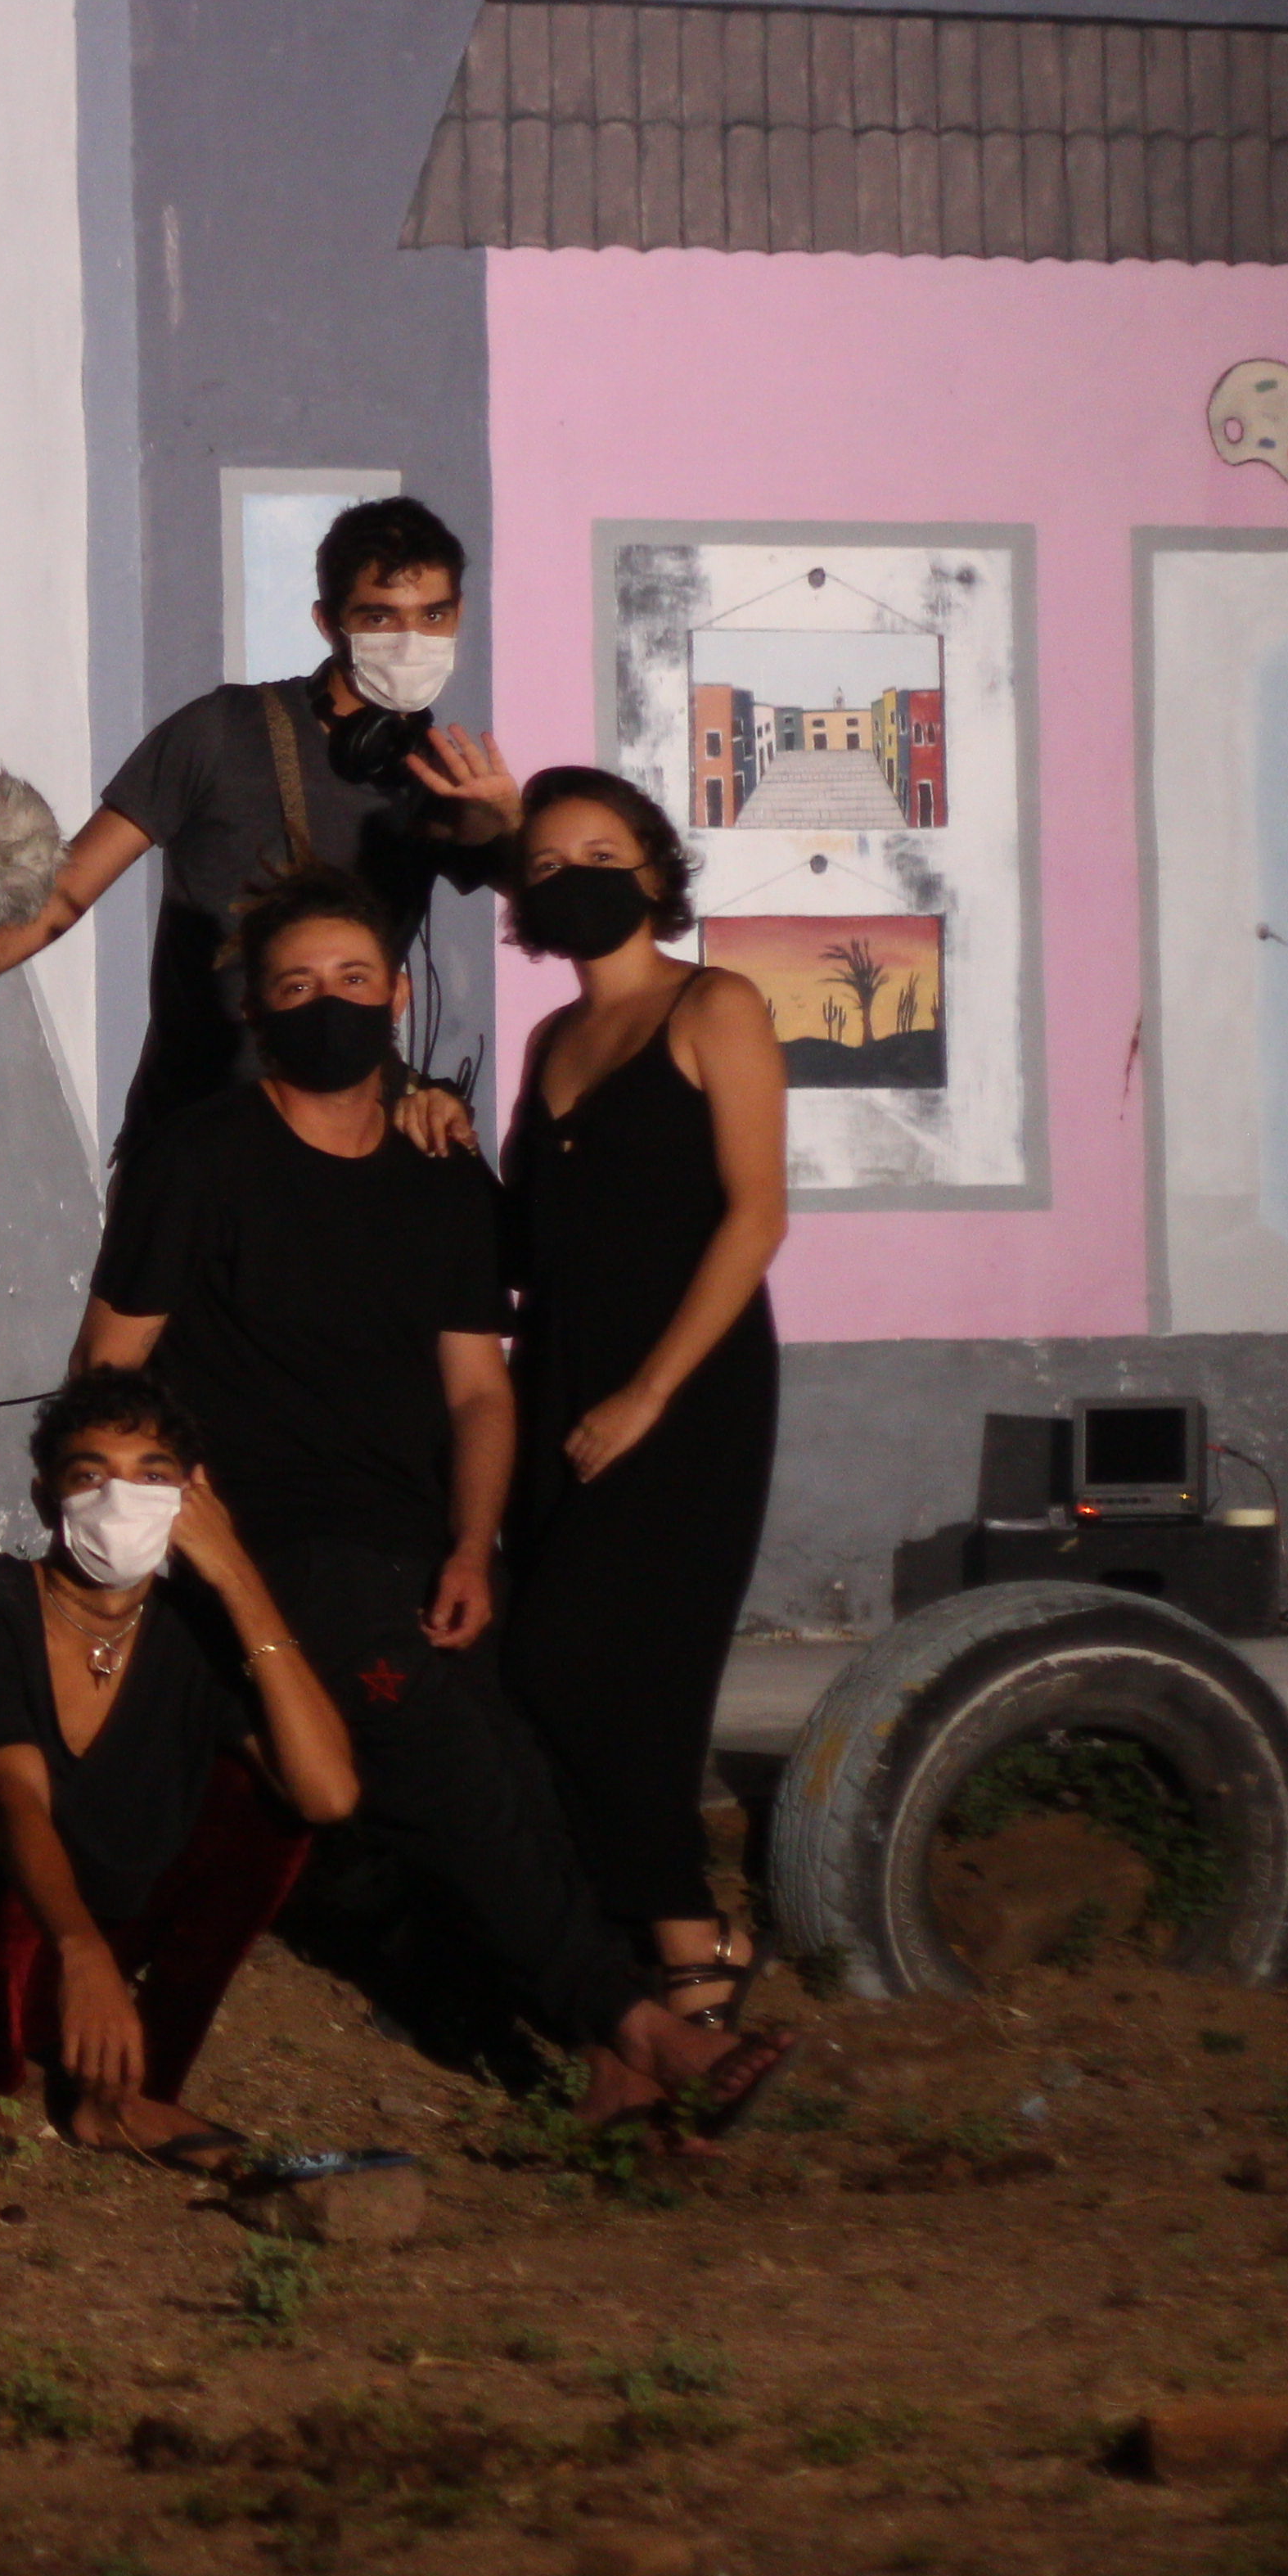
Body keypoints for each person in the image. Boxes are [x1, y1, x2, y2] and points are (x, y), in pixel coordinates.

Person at [74, 866, 790, 2140]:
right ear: (255, 1010)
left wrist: (470, 1545)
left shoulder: (438, 1172)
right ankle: (637, 2029)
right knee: (453, 1762)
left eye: (355, 979)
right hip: (274, 1547)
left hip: (419, 1538)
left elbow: (478, 1392)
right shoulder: (200, 1159)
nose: (329, 1004)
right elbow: (108, 1372)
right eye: (298, 985)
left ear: (398, 998)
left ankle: (606, 2049)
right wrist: (194, 1535)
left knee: (529, 1743)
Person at [0, 495, 521, 1139]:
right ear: (328, 623)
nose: (411, 642)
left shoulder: (443, 777)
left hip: (356, 1128)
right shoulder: (221, 733)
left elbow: (556, 910)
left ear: (459, 614)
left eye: (433, 616)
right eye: (380, 618)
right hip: (199, 1132)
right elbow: (62, 893)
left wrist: (507, 822)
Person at [0, 1371, 355, 2172]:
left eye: (152, 1475)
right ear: (46, 1500)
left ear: (192, 1497)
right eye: (90, 1475)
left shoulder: (190, 1630)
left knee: (266, 1805)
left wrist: (238, 1579)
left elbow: (328, 1793)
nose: (122, 1499)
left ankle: (127, 2095)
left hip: (67, 1971)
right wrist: (79, 1948)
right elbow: (10, 1799)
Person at [496, 772, 786, 2028]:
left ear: (657, 872)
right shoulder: (550, 1042)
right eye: (546, 866)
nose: (574, 880)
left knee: (583, 1661)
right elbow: (525, 1241)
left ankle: (689, 1937)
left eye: (601, 855)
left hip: (684, 1382)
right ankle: (647, 1938)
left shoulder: (715, 1005)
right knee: (562, 1667)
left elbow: (757, 1215)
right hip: (555, 1372)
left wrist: (650, 1395)